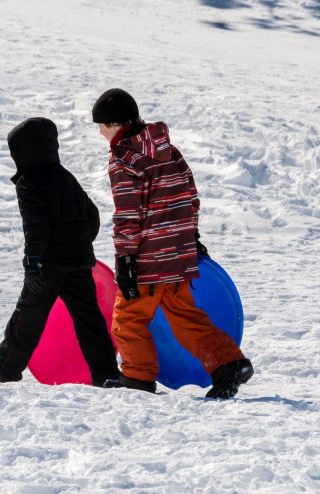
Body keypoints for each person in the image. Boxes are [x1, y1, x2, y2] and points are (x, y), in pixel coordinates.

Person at [91, 88, 253, 399]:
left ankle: (137, 378)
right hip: (178, 254)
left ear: (113, 124)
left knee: (127, 319)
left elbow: (128, 214)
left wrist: (126, 259)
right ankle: (229, 363)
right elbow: (190, 195)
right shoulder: (169, 150)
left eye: (100, 125)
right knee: (183, 315)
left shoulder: (124, 158)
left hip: (148, 259)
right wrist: (190, 237)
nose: (100, 132)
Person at [0, 117, 120, 387]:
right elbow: (92, 214)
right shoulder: (66, 177)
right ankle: (107, 374)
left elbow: (35, 228)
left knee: (27, 317)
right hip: (78, 262)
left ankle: (4, 370)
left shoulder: (29, 182)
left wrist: (32, 264)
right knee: (89, 321)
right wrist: (79, 244)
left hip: (48, 265)